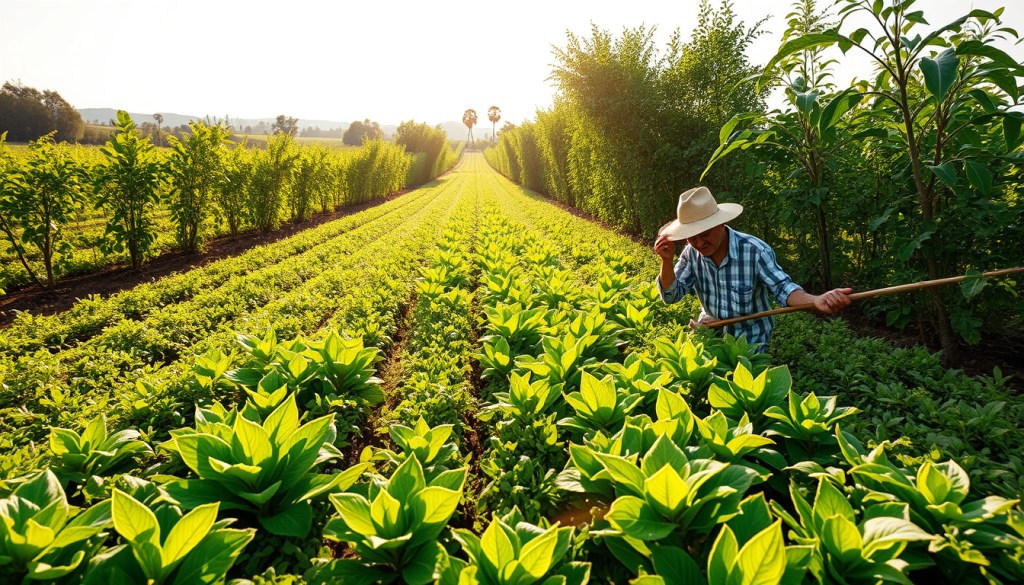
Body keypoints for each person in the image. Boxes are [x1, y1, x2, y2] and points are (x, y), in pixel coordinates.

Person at [654, 186, 852, 351]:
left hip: (751, 343)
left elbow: (782, 288)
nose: (698, 242)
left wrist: (815, 300)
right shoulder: (691, 253)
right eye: (691, 236)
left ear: (721, 224)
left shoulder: (754, 251)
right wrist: (666, 261)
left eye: (704, 233)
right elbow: (671, 296)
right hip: (710, 336)